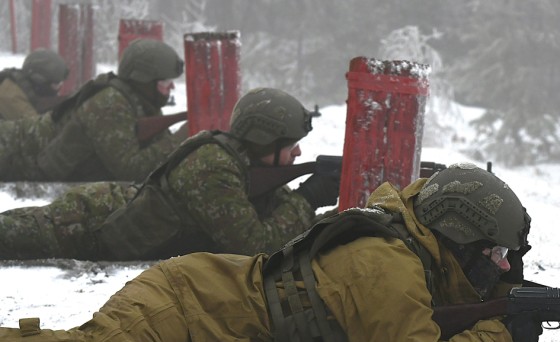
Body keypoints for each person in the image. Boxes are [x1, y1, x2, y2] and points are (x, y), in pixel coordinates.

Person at [0, 163, 541, 342]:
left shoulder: (416, 257)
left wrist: (502, 305)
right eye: (491, 254)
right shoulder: (388, 264)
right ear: (456, 235)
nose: (495, 266)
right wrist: (500, 335)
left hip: (205, 323)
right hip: (187, 308)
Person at [0, 87, 339, 260]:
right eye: (291, 144)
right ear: (265, 138)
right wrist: (307, 199)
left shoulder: (244, 161)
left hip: (111, 208)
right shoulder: (213, 168)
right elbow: (254, 246)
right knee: (9, 235)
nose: (297, 153)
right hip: (88, 222)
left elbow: (278, 218)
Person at [0, 39, 186, 182]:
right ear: (144, 80)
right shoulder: (110, 104)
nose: (171, 89)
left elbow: (157, 145)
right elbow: (130, 170)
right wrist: (182, 139)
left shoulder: (140, 102)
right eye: (165, 83)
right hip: (13, 151)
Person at [0, 48, 70, 120]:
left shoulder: (28, 89)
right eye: (55, 84)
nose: (58, 89)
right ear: (39, 81)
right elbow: (37, 128)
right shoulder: (11, 97)